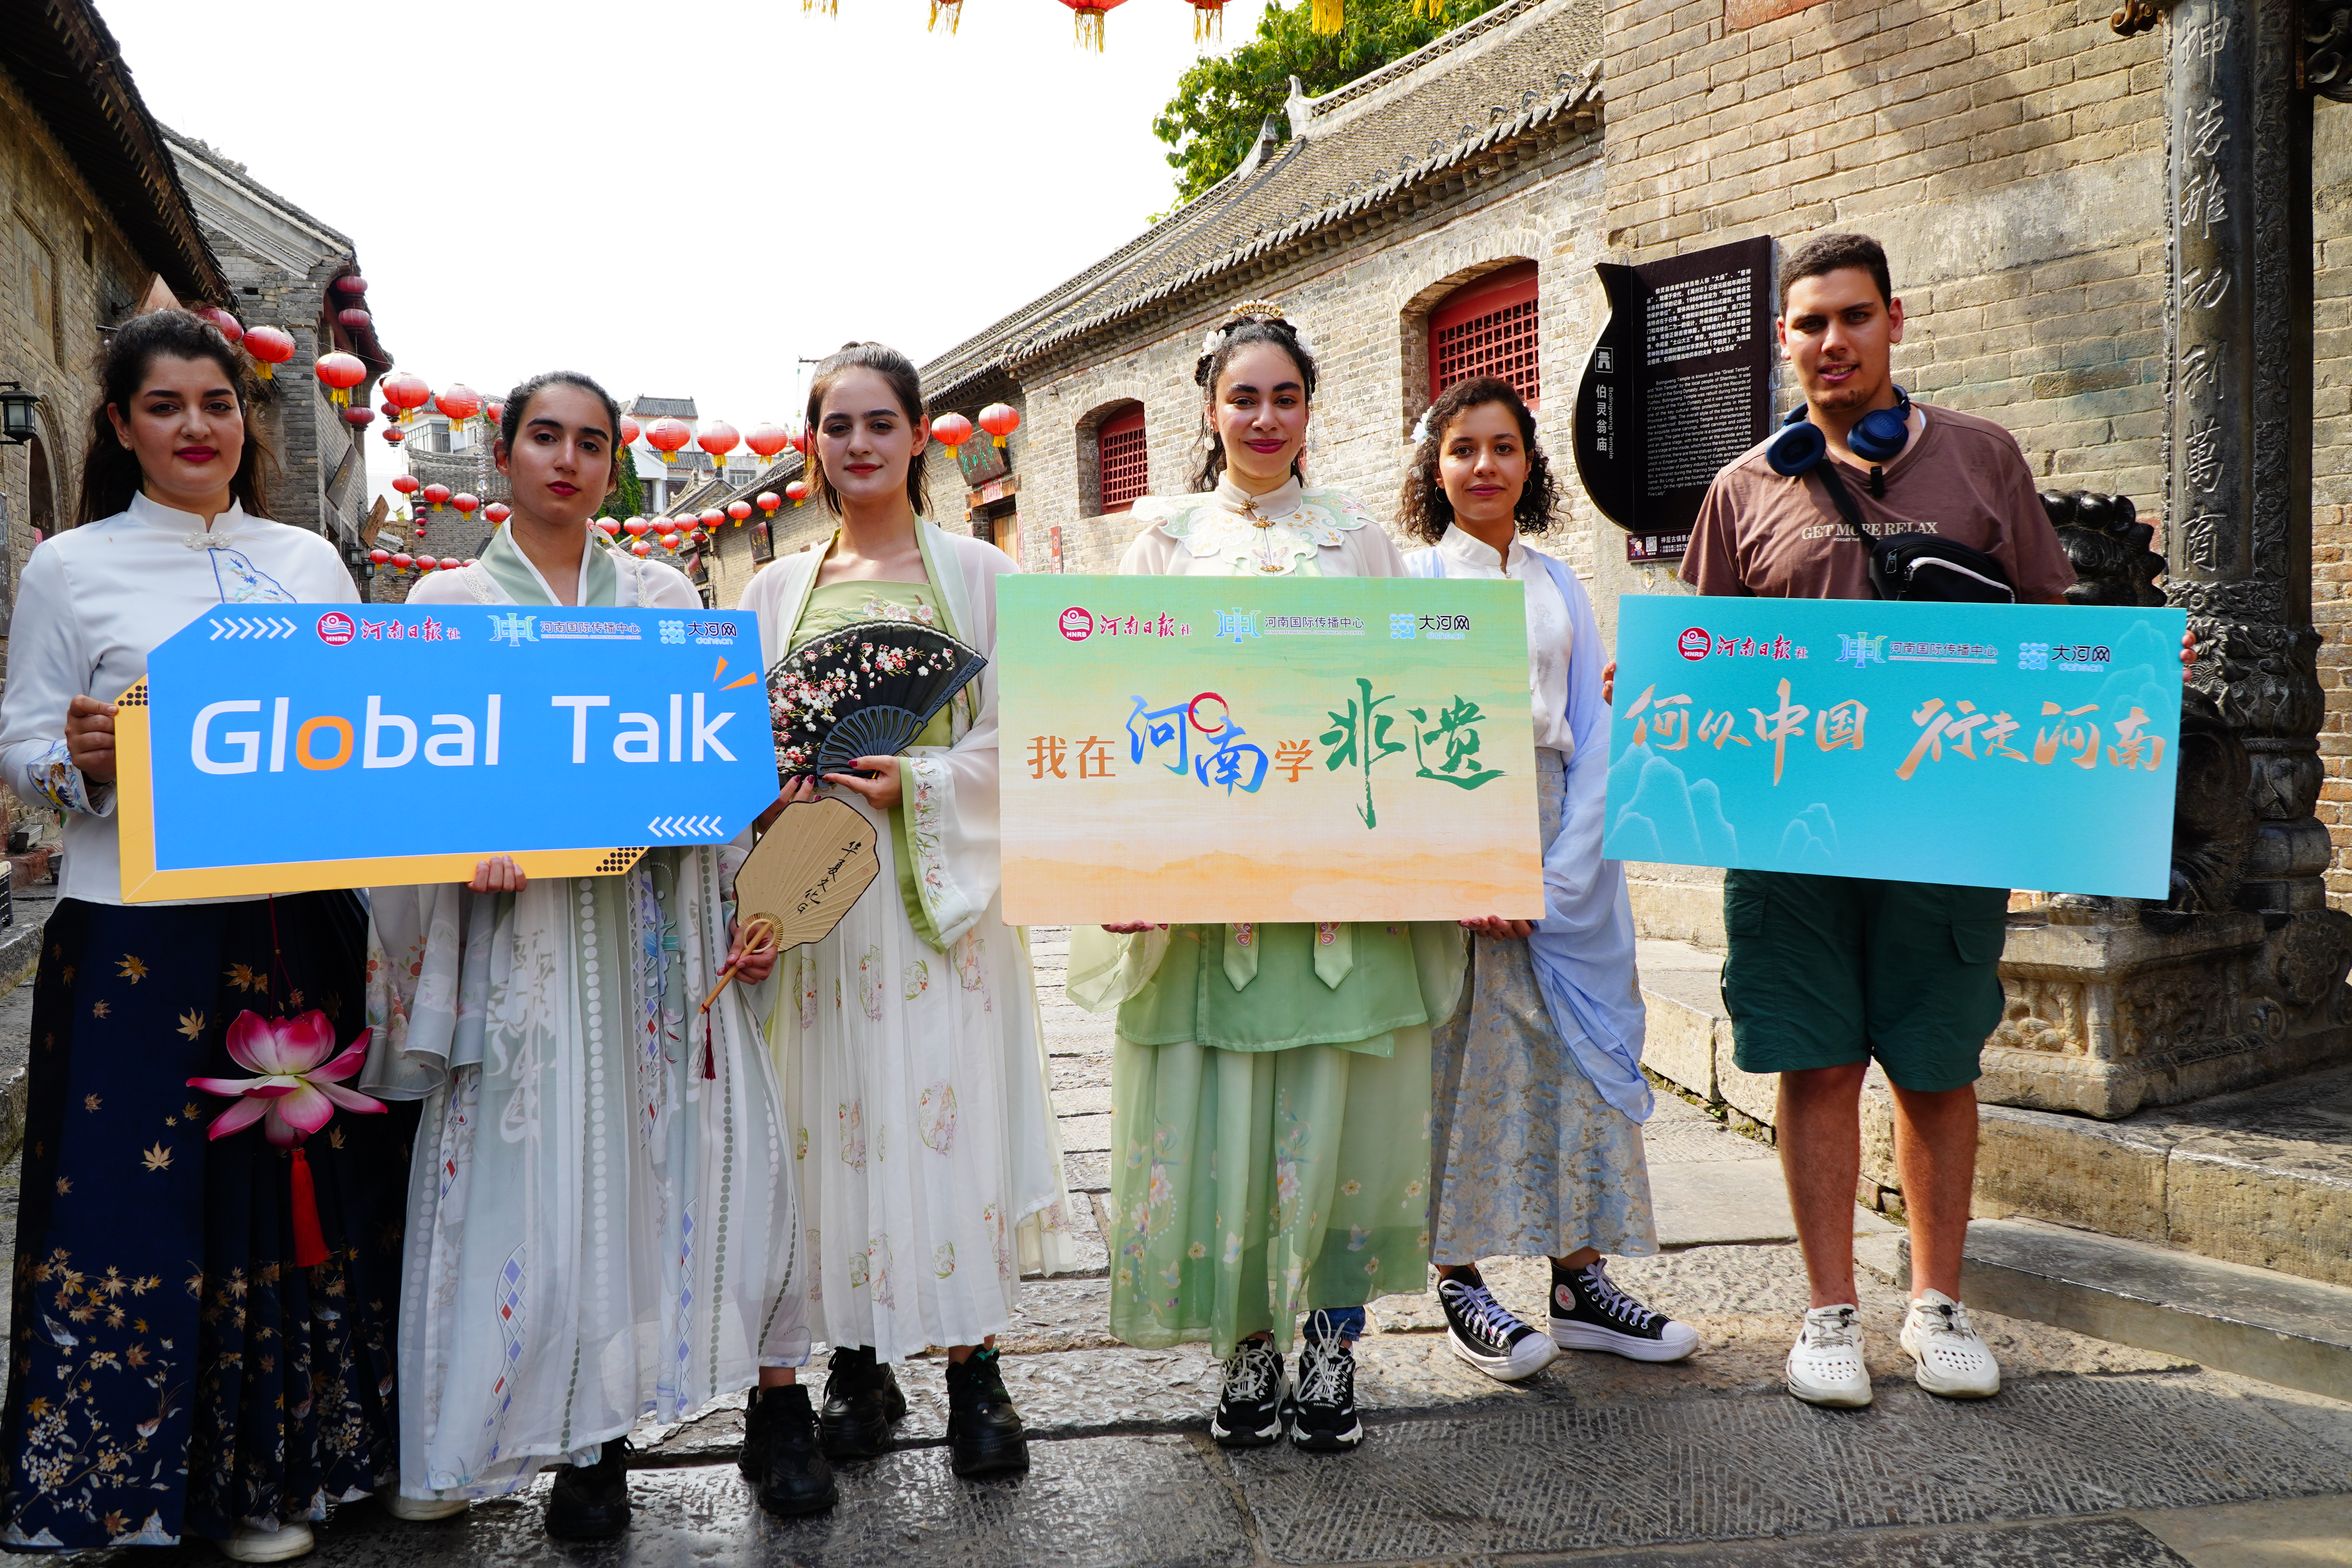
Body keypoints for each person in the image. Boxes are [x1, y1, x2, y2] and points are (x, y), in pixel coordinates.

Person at [360, 371, 811, 1535]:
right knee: (541, 1185)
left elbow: (715, 779)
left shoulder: (662, 593)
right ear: (501, 453)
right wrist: (472, 845)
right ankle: (537, 1427)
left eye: (591, 443)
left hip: (649, 932)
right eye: (544, 437)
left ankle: (607, 1433)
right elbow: (412, 777)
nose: (567, 459)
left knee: (642, 1172)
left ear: (616, 466)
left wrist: (734, 906)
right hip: (530, 942)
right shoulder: (449, 601)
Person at [0, 307, 418, 1562]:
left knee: (285, 1197)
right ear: (120, 426)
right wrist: (73, 763)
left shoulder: (308, 564)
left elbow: (378, 740)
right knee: (137, 1209)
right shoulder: (70, 569)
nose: (197, 427)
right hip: (136, 939)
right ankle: (116, 1487)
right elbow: (21, 740)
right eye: (167, 407)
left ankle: (270, 1481)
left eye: (218, 404)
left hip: (295, 928)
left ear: (247, 422)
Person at [1679, 233, 2082, 1408]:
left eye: (1853, 318)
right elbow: (1703, 661)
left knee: (1935, 1065)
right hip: (1791, 834)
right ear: (1784, 340)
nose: (1832, 342)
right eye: (1809, 324)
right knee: (1814, 1060)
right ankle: (1826, 1314)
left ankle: (1938, 1301)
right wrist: (1650, 691)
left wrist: (2127, 674)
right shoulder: (1743, 488)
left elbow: (2055, 631)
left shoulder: (1983, 461)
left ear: (1895, 322)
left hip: (1947, 823)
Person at [1065, 304, 1463, 1455]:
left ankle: (1331, 1347)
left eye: (1285, 397)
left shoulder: (1358, 540)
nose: (1265, 418)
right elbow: (1119, 707)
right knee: (1227, 1125)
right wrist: (1118, 860)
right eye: (1244, 397)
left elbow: (1407, 703)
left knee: (1340, 1118)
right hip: (1211, 895)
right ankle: (1244, 1349)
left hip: (1333, 887)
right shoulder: (1165, 540)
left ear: (1310, 408)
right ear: (1208, 409)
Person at [737, 343, 1078, 1483]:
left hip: (939, 902)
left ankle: (974, 1369)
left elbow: (1031, 731)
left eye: (882, 422)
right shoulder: (774, 592)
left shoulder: (980, 576)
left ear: (920, 433)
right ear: (814, 445)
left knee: (945, 1120)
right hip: (820, 907)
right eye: (840, 426)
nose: (862, 445)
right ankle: (855, 1356)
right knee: (827, 1127)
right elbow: (743, 746)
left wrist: (922, 782)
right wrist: (774, 788)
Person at [1398, 377, 1699, 1382]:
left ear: (1531, 465)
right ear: (1434, 469)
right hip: (1450, 838)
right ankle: (1461, 1279)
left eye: (1504, 447)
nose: (1484, 466)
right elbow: (1392, 737)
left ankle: (1581, 1278)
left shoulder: (1560, 583)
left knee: (1576, 1061)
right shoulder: (1409, 586)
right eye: (1462, 449)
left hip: (1562, 836)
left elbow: (1598, 729)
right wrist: (1461, 869)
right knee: (1460, 1057)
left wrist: (1560, 870)